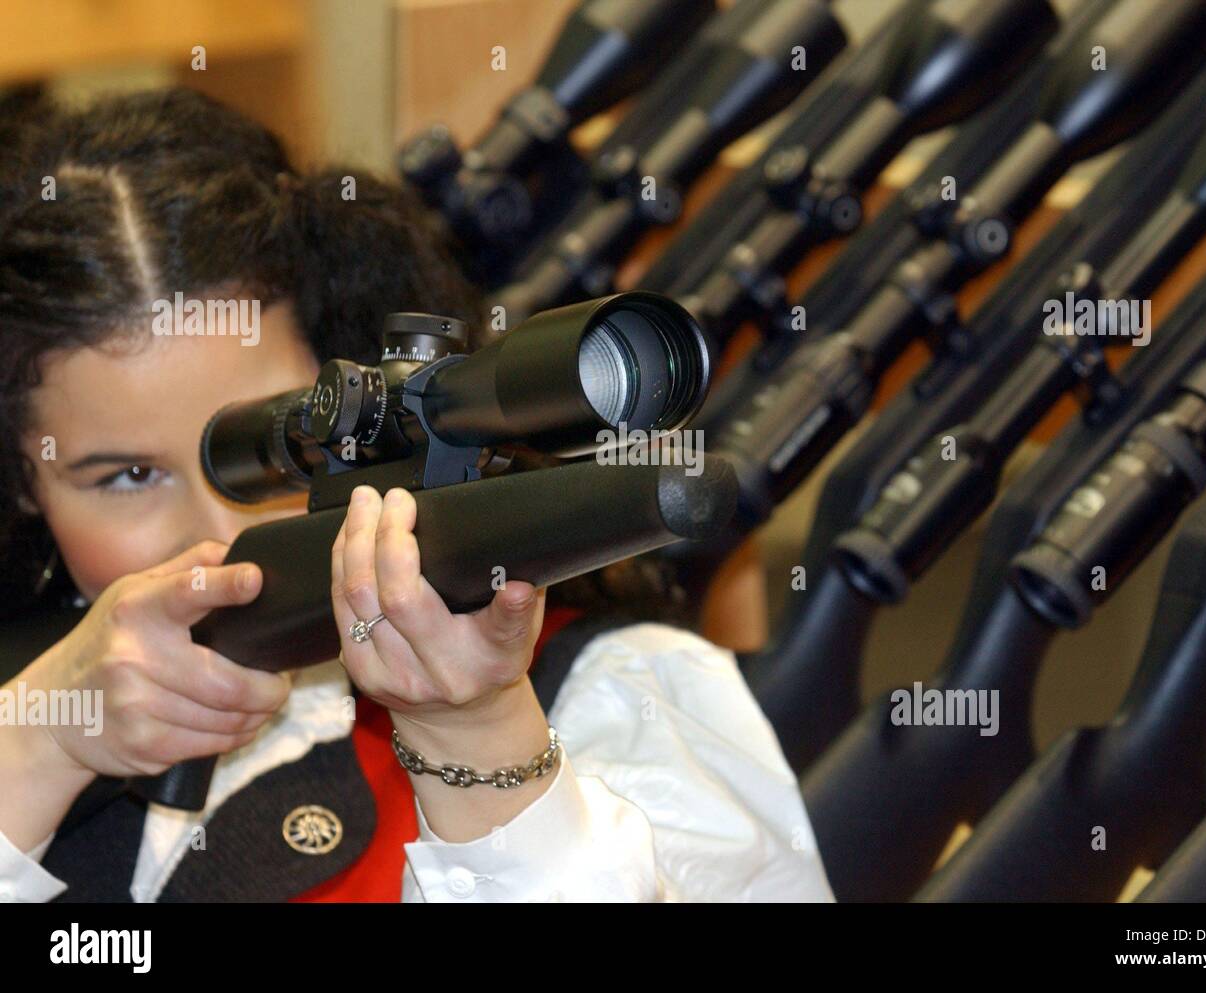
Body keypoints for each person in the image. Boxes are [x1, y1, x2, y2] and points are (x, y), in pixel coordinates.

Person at [0, 88, 832, 902]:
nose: (216, 535)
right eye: (127, 477)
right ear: (25, 484)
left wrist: (479, 736)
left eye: (283, 442)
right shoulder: (34, 703)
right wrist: (39, 739)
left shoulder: (621, 694)